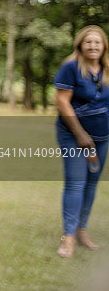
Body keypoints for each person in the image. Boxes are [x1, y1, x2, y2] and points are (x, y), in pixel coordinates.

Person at [54, 25, 109, 258]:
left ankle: (81, 230)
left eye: (97, 42)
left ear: (104, 46)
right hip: (73, 135)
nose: (93, 46)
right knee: (76, 183)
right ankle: (68, 237)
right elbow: (62, 102)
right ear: (80, 45)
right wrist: (80, 135)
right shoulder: (71, 68)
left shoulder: (107, 69)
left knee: (92, 184)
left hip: (102, 137)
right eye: (88, 42)